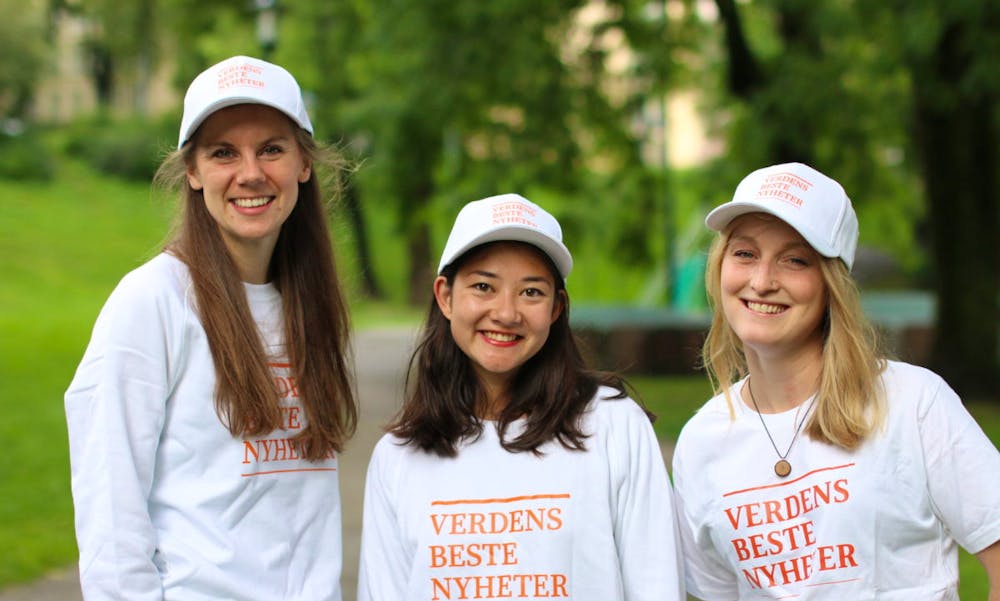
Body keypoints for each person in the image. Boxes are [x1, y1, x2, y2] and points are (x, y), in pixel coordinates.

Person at [64, 55, 357, 600]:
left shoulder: (309, 303)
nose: (250, 173)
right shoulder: (153, 302)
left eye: (271, 148)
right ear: (193, 172)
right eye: (223, 153)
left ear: (304, 164)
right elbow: (110, 511)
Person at [671, 162, 1000, 600]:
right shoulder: (701, 442)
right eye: (745, 253)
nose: (762, 281)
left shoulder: (913, 403)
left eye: (794, 260)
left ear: (832, 284)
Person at [356, 193, 685, 600]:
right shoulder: (398, 456)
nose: (507, 313)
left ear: (556, 308)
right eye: (483, 287)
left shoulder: (613, 424)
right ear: (445, 296)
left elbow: (657, 585)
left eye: (531, 292)